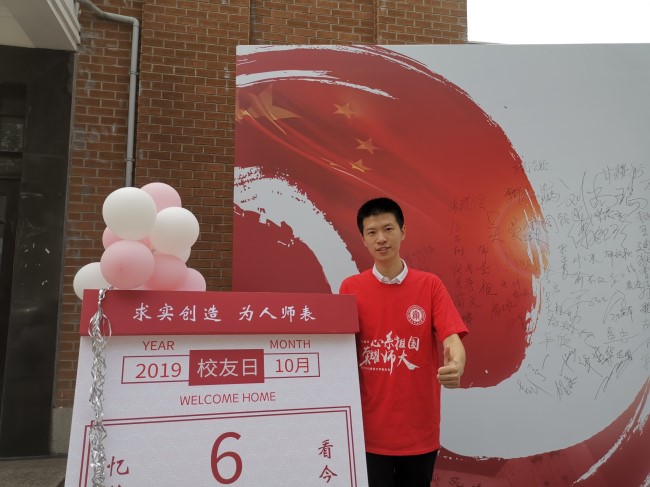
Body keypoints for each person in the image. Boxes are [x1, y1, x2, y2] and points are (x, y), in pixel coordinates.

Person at [339, 197, 468, 487]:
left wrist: (456, 365)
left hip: (418, 432)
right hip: (368, 432)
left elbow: (451, 338)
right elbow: (339, 351)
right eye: (372, 232)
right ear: (363, 239)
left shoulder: (430, 285)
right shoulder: (350, 288)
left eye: (388, 229)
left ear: (403, 231)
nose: (381, 239)